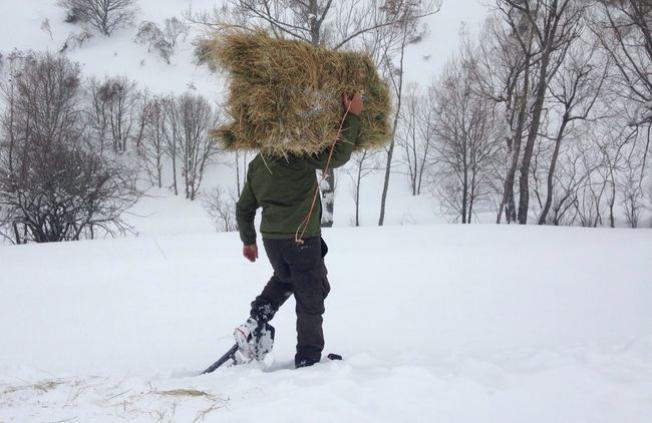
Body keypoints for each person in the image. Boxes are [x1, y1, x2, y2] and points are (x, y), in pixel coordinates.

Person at [233, 91, 364, 368]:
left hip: (273, 242)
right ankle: (308, 357)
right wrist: (351, 116)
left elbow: (244, 208)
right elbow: (339, 155)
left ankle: (255, 321)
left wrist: (249, 241)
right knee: (311, 297)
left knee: (286, 278)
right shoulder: (300, 155)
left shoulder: (258, 164)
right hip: (302, 239)